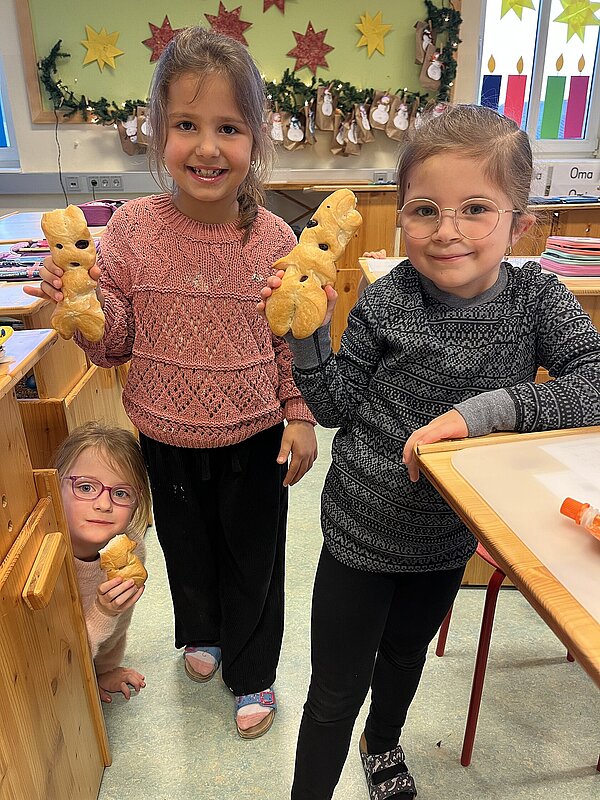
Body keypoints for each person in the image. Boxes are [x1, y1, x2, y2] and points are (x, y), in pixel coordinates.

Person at [259, 104, 600, 797]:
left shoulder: (537, 300)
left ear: (520, 223)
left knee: (405, 653)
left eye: (476, 209)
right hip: (361, 531)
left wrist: (485, 413)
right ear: (402, 217)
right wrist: (307, 333)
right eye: (425, 211)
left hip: (448, 537)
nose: (448, 231)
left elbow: (593, 382)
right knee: (334, 690)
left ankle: (382, 743)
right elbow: (336, 406)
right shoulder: (387, 301)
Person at [26, 27, 317, 739]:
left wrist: (300, 414)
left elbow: (289, 338)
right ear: (158, 133)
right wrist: (77, 307)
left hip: (253, 435)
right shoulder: (130, 230)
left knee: (253, 559)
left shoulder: (276, 238)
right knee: (187, 551)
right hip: (162, 432)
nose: (207, 147)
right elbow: (115, 344)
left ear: (256, 139)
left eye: (228, 128)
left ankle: (253, 670)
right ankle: (204, 633)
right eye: (186, 125)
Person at [54, 422, 152, 704]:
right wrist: (102, 613)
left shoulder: (130, 549)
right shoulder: (46, 565)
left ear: (136, 502)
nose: (104, 504)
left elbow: (119, 627)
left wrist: (101, 671)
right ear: (54, 486)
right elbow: (52, 656)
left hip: (92, 658)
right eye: (85, 487)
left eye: (121, 493)